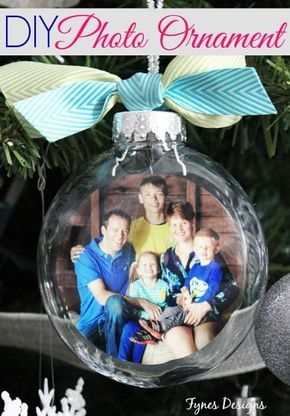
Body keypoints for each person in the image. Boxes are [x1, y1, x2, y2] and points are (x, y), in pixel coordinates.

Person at [74, 209, 161, 357]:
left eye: (125, 231)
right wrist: (141, 301)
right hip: (92, 323)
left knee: (118, 308)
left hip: (119, 320)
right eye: (115, 230)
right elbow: (102, 297)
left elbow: (149, 267)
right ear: (103, 230)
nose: (120, 236)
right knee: (114, 302)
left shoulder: (129, 252)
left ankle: (114, 364)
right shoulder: (85, 256)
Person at [158, 201, 240, 356]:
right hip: (180, 316)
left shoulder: (208, 251)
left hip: (206, 315)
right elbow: (170, 294)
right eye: (174, 225)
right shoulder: (166, 258)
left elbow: (233, 288)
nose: (179, 229)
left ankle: (210, 379)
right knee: (177, 338)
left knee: (204, 341)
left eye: (183, 223)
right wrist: (180, 299)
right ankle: (195, 380)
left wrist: (206, 306)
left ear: (192, 222)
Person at [133, 229, 224, 345]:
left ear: (216, 248)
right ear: (195, 248)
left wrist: (196, 304)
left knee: (181, 314)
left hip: (202, 310)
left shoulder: (216, 268)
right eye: (200, 247)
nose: (204, 250)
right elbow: (187, 282)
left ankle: (160, 327)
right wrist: (185, 293)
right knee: (172, 309)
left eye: (208, 247)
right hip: (189, 303)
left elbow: (212, 291)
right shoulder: (196, 266)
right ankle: (153, 329)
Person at [70, 176, 171, 262]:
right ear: (141, 198)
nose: (153, 199)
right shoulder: (130, 227)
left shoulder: (176, 227)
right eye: (148, 195)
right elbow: (107, 245)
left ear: (165, 197)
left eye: (159, 194)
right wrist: (82, 251)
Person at [117, 251, 169, 362]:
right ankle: (121, 362)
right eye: (144, 265)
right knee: (129, 328)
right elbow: (133, 309)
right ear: (139, 270)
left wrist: (157, 320)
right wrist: (147, 316)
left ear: (159, 269)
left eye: (152, 264)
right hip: (138, 322)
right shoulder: (135, 286)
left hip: (155, 326)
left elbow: (167, 306)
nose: (149, 267)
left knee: (142, 340)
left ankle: (136, 367)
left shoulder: (164, 286)